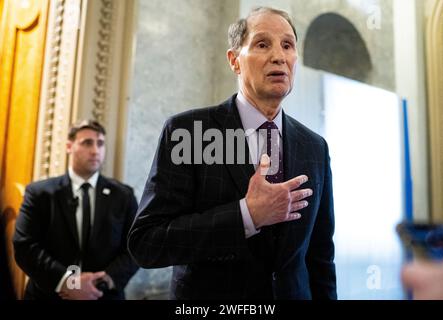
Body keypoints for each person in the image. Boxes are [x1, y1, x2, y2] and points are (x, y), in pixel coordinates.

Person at [128, 7, 336, 300]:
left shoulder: (315, 146)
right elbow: (147, 243)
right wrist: (246, 216)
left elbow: (321, 257)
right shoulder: (189, 132)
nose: (279, 56)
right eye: (263, 44)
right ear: (234, 61)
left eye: (287, 45)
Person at [13, 120, 139, 300]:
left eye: (100, 143)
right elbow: (24, 246)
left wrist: (102, 281)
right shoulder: (39, 193)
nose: (96, 150)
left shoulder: (123, 195)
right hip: (50, 295)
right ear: (69, 146)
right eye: (87, 143)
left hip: (103, 295)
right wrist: (68, 283)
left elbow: (135, 246)